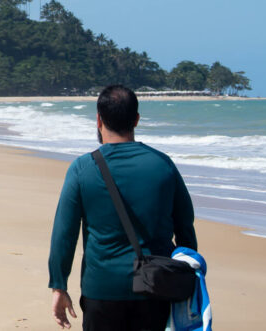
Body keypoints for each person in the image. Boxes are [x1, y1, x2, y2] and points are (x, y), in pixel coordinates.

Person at [48, 85, 197, 330]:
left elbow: (64, 233)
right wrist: (186, 276)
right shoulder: (163, 165)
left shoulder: (83, 168)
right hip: (155, 288)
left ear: (98, 119)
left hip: (102, 289)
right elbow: (185, 228)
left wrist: (59, 285)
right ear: (136, 120)